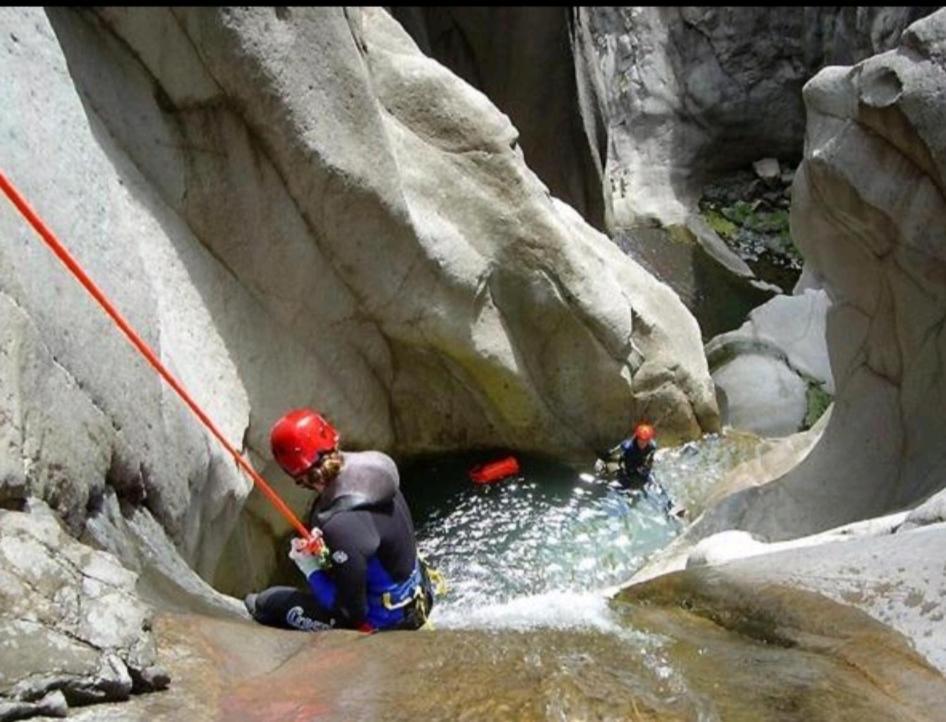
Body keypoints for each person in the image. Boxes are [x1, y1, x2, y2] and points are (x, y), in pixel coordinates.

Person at [244, 408, 437, 632]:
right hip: (421, 596)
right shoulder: (375, 466)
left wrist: (310, 569)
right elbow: (367, 537)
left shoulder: (340, 524)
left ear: (294, 473)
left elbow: (350, 612)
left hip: (392, 622)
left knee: (267, 603)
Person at [595, 423, 685, 518]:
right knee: (620, 489)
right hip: (627, 472)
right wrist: (604, 457)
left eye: (645, 441)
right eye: (641, 440)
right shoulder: (628, 446)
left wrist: (646, 467)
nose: (643, 443)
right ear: (637, 438)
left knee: (655, 487)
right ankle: (622, 508)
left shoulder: (651, 446)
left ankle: (671, 507)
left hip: (642, 471)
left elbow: (650, 459)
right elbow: (614, 452)